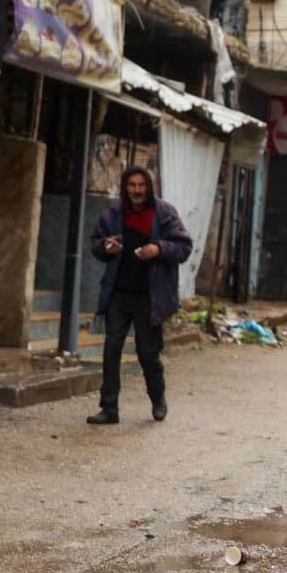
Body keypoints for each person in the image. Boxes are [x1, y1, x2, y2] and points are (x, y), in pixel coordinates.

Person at [86, 166, 193, 425]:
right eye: (132, 185)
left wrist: (158, 248)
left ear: (149, 187)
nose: (136, 190)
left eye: (141, 185)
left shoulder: (164, 213)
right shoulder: (113, 213)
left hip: (150, 296)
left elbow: (184, 246)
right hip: (118, 294)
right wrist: (106, 246)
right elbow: (96, 244)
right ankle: (109, 408)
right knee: (112, 349)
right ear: (125, 187)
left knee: (147, 352)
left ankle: (158, 398)